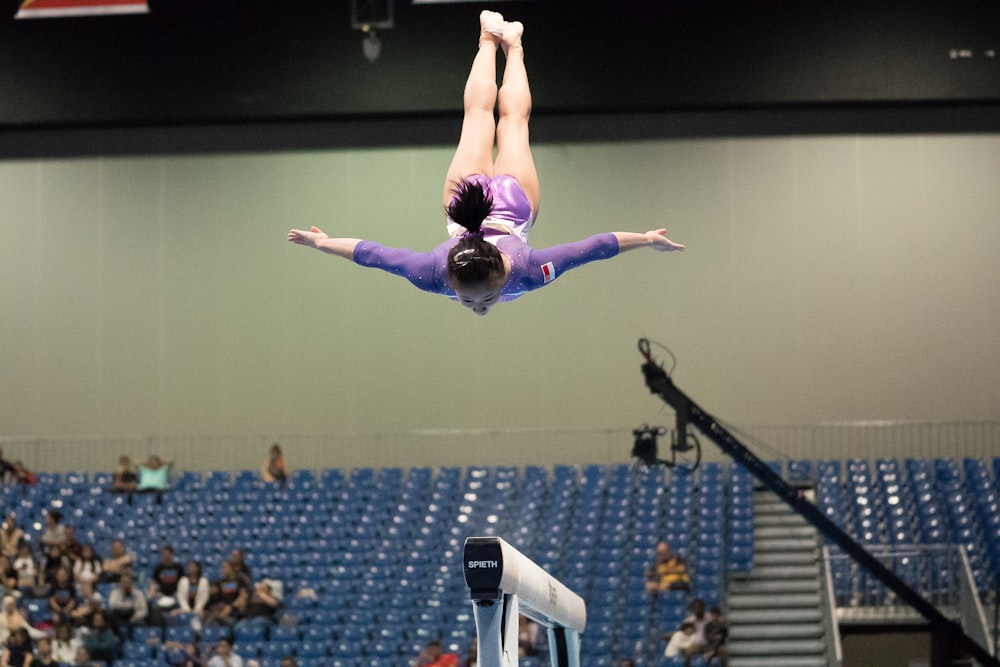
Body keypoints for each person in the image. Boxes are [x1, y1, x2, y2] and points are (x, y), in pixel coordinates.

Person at [287, 11, 684, 317]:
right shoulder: (442, 271)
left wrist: (325, 243)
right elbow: (596, 246)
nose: (480, 306)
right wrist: (645, 239)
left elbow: (371, 254)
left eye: (478, 298)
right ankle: (493, 40)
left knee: (503, 121)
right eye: (481, 299)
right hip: (470, 202)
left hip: (509, 206)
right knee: (486, 119)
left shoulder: (523, 271)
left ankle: (507, 42)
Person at [148, 546, 184, 625]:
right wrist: (151, 592)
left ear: (171, 554)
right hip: (161, 595)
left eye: (167, 554)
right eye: (163, 554)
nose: (165, 556)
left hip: (175, 595)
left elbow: (183, 582)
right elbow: (154, 582)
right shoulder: (159, 568)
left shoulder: (178, 567)